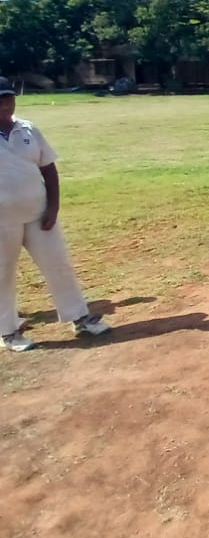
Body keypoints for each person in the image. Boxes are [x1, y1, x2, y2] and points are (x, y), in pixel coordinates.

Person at [1, 77, 111, 352]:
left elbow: (48, 169)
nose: (4, 104)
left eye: (8, 97)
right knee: (3, 274)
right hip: (3, 219)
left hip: (39, 214)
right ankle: (9, 332)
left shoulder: (27, 129)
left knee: (58, 264)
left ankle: (79, 317)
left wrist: (53, 207)